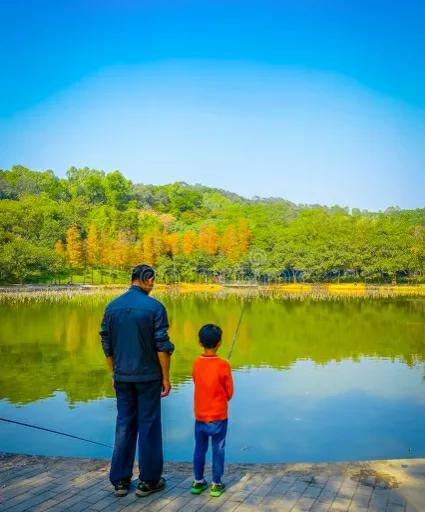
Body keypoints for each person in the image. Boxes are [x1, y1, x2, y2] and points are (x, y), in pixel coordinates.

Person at [99, 264, 174, 498]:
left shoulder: (112, 308)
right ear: (146, 279)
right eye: (152, 280)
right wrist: (166, 377)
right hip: (148, 376)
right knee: (149, 425)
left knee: (124, 424)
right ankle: (149, 481)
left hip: (122, 376)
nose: (153, 285)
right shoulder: (154, 307)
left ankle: (120, 481)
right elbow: (162, 346)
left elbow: (107, 344)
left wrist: (115, 373)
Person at [191, 324, 234, 497]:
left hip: (200, 416)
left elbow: (196, 381)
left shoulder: (196, 363)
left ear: (200, 342)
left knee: (199, 449)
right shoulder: (223, 365)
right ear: (220, 343)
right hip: (218, 416)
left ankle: (198, 481)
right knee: (218, 449)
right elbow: (229, 393)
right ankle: (216, 484)